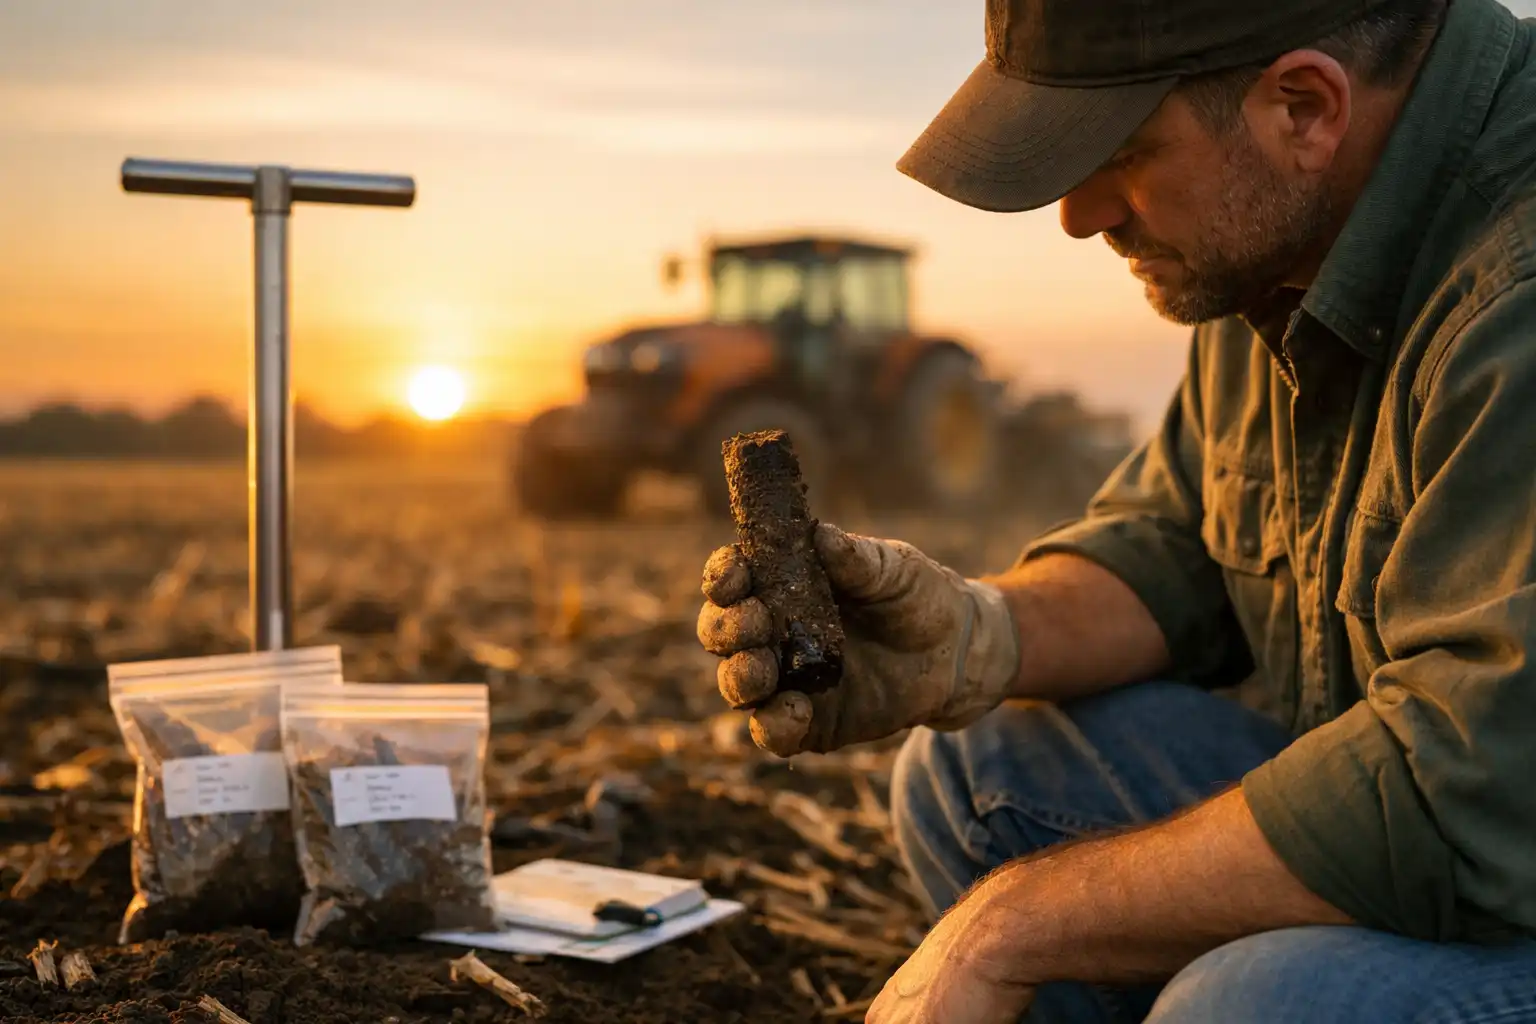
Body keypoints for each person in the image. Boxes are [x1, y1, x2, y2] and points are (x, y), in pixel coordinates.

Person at [696, 0, 1536, 1020]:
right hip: (1450, 816)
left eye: (1121, 153)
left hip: (1499, 824)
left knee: (1250, 1006)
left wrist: (1015, 923)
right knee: (976, 767)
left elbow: (1479, 787)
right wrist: (971, 637)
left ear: (1305, 107)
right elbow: (1179, 543)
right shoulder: (1277, 236)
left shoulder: (1512, 289)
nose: (1078, 214)